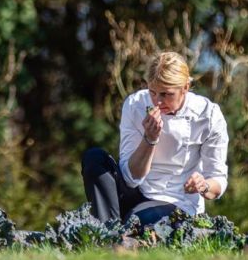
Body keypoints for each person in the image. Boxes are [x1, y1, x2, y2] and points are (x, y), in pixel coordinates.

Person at [81, 51, 228, 225]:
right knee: (94, 158)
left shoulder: (208, 115)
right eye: (152, 92)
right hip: (135, 188)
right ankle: (107, 234)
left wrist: (203, 185)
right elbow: (130, 178)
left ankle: (116, 234)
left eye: (166, 94)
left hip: (173, 200)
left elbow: (218, 181)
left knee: (140, 220)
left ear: (185, 88)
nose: (157, 101)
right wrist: (149, 139)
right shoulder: (135, 104)